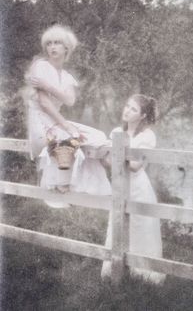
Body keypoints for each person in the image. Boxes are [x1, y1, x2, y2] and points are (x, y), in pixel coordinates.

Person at [25, 24, 111, 207]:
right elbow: (45, 104)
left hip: (56, 122)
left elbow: (70, 100)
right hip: (41, 123)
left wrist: (47, 86)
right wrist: (66, 125)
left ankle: (86, 184)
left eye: (57, 43)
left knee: (97, 136)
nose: (52, 47)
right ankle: (62, 185)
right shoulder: (40, 66)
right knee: (68, 137)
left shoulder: (66, 77)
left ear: (66, 48)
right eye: (49, 44)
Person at [101, 94, 165, 284]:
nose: (127, 111)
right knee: (117, 226)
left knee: (141, 230)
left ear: (143, 115)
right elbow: (107, 162)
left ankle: (144, 278)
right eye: (127, 106)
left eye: (133, 109)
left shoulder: (147, 136)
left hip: (138, 188)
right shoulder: (116, 132)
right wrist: (106, 156)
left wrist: (115, 156)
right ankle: (115, 273)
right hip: (120, 188)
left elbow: (136, 166)